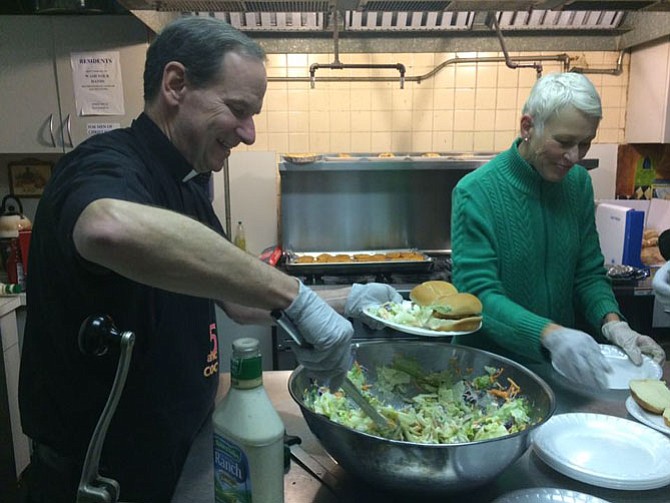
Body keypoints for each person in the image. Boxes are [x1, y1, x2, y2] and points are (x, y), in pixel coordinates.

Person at [17, 17, 399, 503]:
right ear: (176, 85)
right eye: (238, 109)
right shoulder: (107, 162)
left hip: (179, 453)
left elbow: (235, 300)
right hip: (99, 480)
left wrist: (352, 300)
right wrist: (294, 296)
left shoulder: (189, 183)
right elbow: (106, 228)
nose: (250, 133)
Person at [450, 72, 665, 389]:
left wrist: (612, 323)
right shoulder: (477, 192)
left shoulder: (577, 185)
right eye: (564, 142)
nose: (575, 156)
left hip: (560, 373)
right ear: (528, 127)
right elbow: (477, 296)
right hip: (487, 375)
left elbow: (587, 273)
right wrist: (550, 334)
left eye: (585, 143)